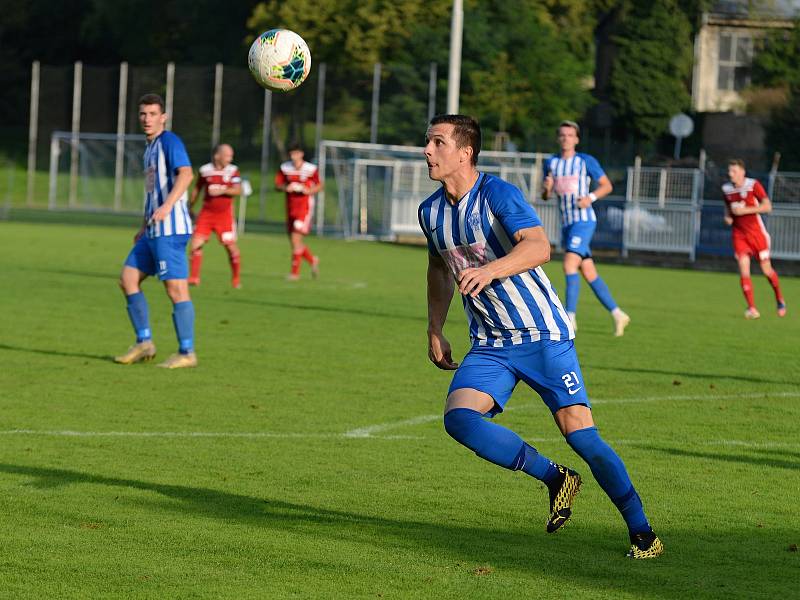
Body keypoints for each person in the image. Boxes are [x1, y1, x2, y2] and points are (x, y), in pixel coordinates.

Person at [419, 114, 662, 559]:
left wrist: (490, 269)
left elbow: (538, 246)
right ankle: (556, 478)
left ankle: (643, 532)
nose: (427, 151)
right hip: (491, 343)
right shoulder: (430, 211)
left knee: (582, 435)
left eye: (437, 142)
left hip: (541, 335)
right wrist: (436, 326)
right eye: (428, 142)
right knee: (459, 419)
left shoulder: (497, 193)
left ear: (465, 152)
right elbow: (439, 266)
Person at [114, 93, 197, 369]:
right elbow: (152, 193)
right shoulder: (149, 148)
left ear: (163, 116)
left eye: (152, 114)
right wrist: (143, 224)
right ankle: (144, 342)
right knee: (127, 279)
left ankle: (186, 352)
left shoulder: (169, 141)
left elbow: (186, 174)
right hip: (152, 230)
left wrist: (166, 207)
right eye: (143, 114)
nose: (147, 119)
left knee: (175, 289)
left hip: (170, 229)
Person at [542, 121, 630, 336]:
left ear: (577, 139)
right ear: (558, 138)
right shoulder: (551, 162)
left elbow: (606, 185)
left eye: (570, 135)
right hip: (567, 224)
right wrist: (546, 189)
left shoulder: (585, 161)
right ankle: (619, 314)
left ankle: (569, 317)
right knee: (589, 272)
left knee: (569, 264)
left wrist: (590, 197)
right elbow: (546, 195)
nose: (566, 138)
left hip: (584, 221)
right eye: (562, 135)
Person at [722, 159, 786, 319]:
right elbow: (727, 209)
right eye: (729, 171)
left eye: (734, 171)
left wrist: (745, 211)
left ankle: (779, 299)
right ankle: (752, 308)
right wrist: (728, 217)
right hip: (739, 234)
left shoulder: (753, 185)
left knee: (766, 270)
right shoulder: (726, 189)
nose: (731, 174)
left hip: (757, 234)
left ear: (743, 172)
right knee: (743, 268)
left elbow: (767, 207)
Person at [188, 143, 243, 288]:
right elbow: (197, 190)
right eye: (227, 155)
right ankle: (193, 278)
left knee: (231, 247)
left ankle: (236, 279)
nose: (230, 159)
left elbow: (238, 190)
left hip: (224, 216)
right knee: (195, 244)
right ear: (217, 156)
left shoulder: (233, 171)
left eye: (231, 156)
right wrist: (190, 207)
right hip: (206, 214)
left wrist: (222, 190)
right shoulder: (205, 170)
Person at [275, 144, 323, 280]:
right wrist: (286, 187)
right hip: (290, 207)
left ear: (301, 154)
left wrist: (308, 190)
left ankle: (294, 273)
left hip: (304, 208)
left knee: (296, 239)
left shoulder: (310, 169)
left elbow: (320, 185)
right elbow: (278, 185)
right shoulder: (285, 168)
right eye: (291, 153)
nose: (293, 156)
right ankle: (312, 260)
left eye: (295, 153)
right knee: (294, 241)